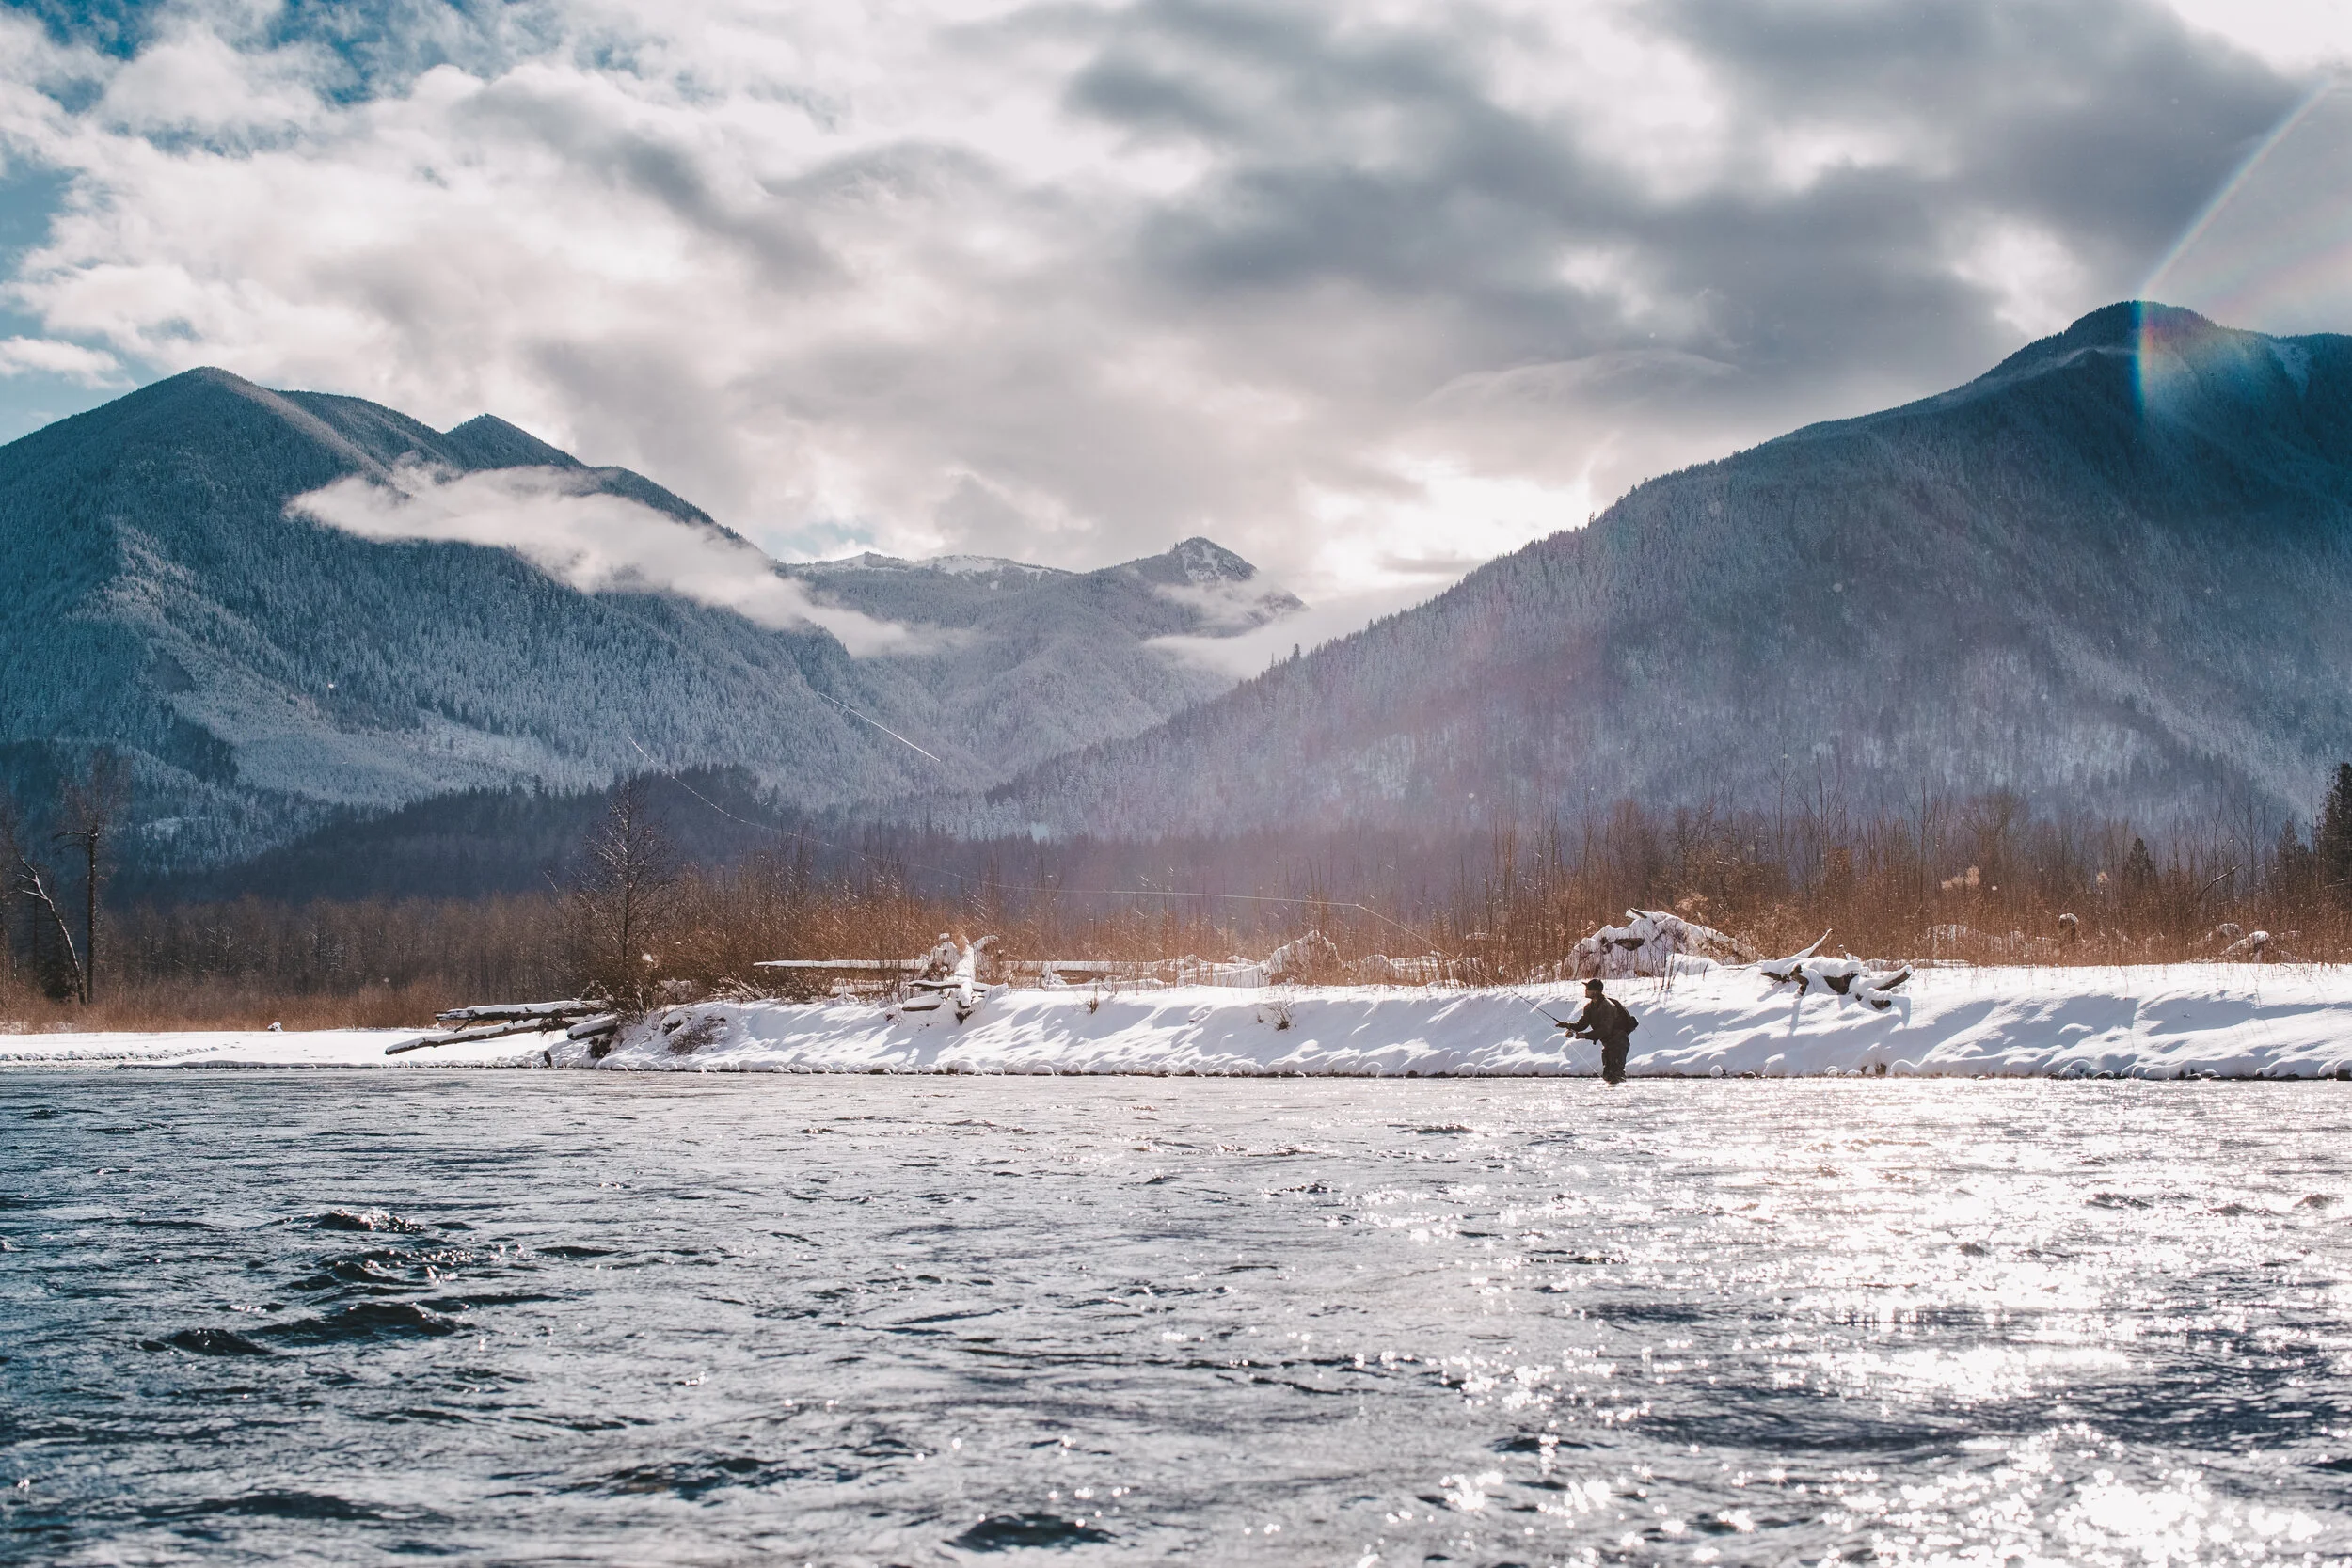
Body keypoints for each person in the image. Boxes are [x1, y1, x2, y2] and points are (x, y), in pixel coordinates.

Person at [1562, 977, 1639, 1085]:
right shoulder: (1589, 1007)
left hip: (1619, 1042)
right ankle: (1611, 1098)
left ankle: (1621, 1097)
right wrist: (1567, 1025)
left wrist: (1585, 1036)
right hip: (1607, 1043)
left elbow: (1605, 1030)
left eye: (1588, 989)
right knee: (1607, 1075)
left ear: (1595, 991)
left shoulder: (1608, 1006)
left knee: (1617, 1074)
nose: (1585, 991)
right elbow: (1582, 1024)